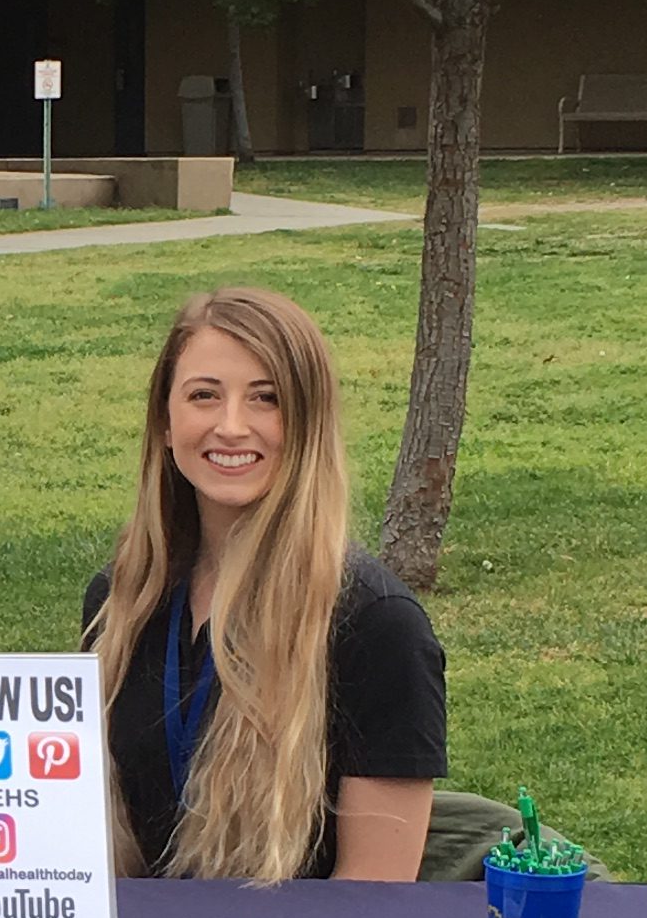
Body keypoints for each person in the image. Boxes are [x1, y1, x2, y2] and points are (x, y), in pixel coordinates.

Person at [86, 287, 445, 881]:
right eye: (204, 396)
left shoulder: (378, 626)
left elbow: (376, 903)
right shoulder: (120, 602)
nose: (231, 427)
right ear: (166, 422)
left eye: (267, 399)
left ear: (308, 424)